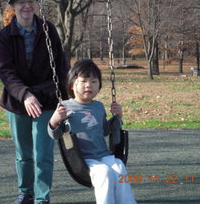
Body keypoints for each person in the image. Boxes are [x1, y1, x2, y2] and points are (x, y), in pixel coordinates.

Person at [0, 0, 69, 204]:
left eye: (30, 1)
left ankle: (42, 198)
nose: (26, 6)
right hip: (18, 102)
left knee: (43, 154)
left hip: (46, 100)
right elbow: (5, 71)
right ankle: (25, 193)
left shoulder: (48, 30)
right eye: (21, 2)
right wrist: (25, 94)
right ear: (13, 6)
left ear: (36, 4)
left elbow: (61, 64)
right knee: (24, 154)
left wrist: (66, 99)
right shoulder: (5, 36)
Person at [48, 59, 137, 204]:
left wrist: (117, 117)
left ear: (99, 86)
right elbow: (54, 134)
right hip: (83, 159)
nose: (88, 85)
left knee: (120, 169)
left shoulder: (98, 106)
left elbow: (103, 131)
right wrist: (54, 121)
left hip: (103, 154)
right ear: (72, 85)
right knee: (104, 173)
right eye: (83, 81)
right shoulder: (65, 107)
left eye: (94, 81)